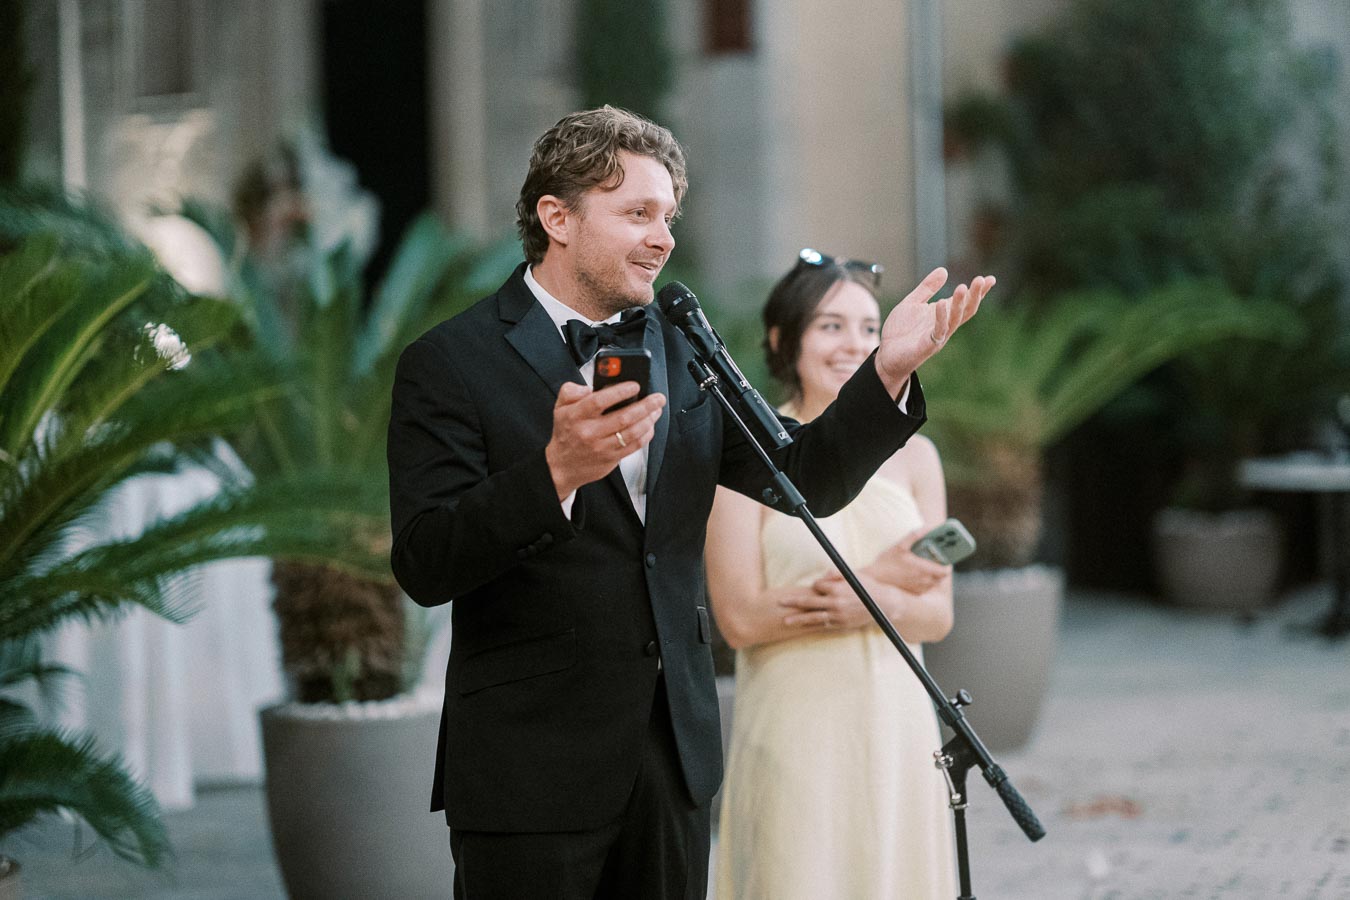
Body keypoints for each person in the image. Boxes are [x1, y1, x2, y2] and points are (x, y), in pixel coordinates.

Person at [386, 106, 992, 900]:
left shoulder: (680, 344)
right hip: (530, 769)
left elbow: (803, 475)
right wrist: (555, 474)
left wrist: (886, 372)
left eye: (668, 216)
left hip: (673, 765)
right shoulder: (449, 362)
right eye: (638, 213)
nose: (663, 238)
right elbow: (426, 561)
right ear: (557, 218)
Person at [707, 249, 960, 899]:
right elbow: (739, 619)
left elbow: (938, 614)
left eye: (869, 327)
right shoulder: (743, 454)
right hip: (796, 728)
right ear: (780, 339)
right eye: (831, 326)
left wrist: (872, 600)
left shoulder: (918, 457)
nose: (854, 344)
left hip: (899, 725)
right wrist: (871, 585)